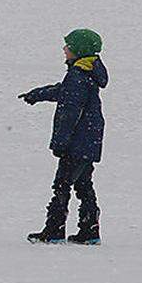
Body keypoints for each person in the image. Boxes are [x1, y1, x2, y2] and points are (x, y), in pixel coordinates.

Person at [20, 29, 108, 245]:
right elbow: (63, 92)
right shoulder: (86, 72)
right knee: (84, 184)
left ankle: (54, 231)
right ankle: (90, 231)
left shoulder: (77, 76)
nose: (64, 50)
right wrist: (38, 94)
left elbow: (70, 112)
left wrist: (60, 143)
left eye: (68, 47)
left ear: (78, 51)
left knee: (62, 184)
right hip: (90, 141)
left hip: (77, 143)